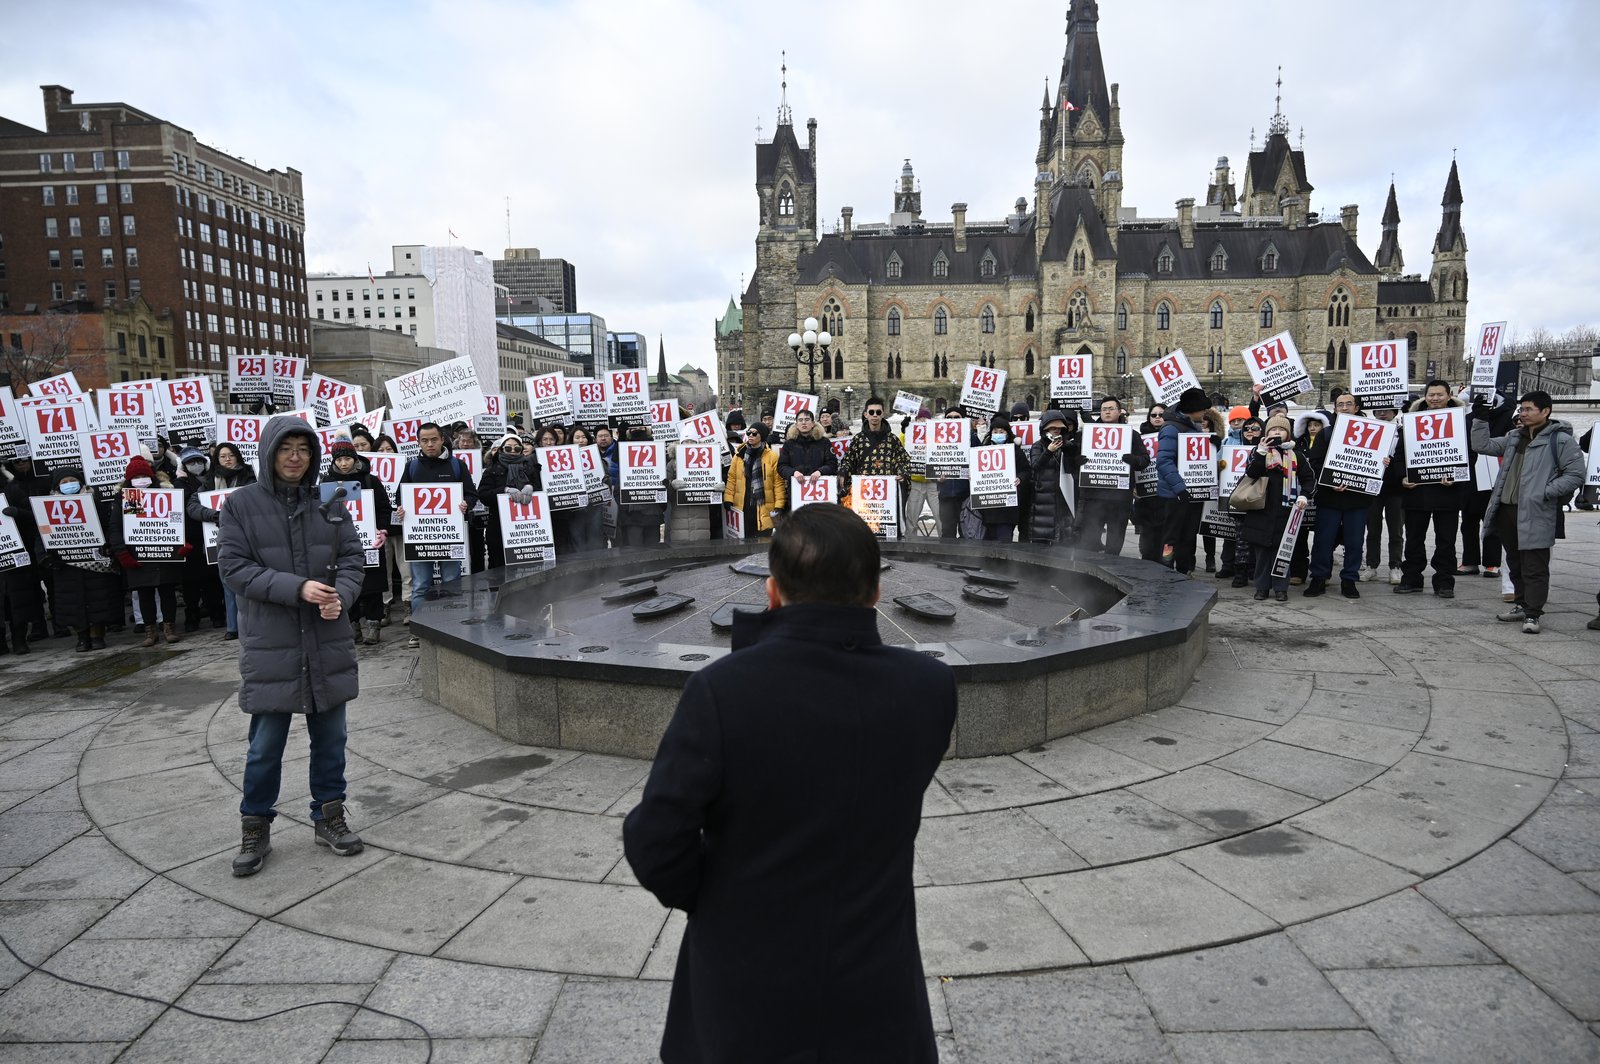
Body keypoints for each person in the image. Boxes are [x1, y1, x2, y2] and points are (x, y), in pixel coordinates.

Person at [624, 503, 955, 1064]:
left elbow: (656, 840)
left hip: (747, 986)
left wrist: (719, 898)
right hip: (877, 987)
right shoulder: (930, 686)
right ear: (876, 593)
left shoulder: (722, 690)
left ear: (771, 591)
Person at [218, 415, 366, 877]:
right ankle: (256, 824)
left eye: (304, 448)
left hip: (326, 641)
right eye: (287, 448)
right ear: (268, 452)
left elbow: (353, 559)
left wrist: (340, 594)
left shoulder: (330, 501)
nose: (296, 457)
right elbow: (234, 568)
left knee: (332, 738)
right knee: (265, 745)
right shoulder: (240, 504)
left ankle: (329, 814)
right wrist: (297, 588)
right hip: (272, 643)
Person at [1470, 390, 1586, 635]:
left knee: (1534, 565)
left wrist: (1544, 492)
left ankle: (1533, 613)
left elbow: (1576, 474)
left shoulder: (1561, 440)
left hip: (1536, 511)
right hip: (1507, 511)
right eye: (1521, 409)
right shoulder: (1514, 437)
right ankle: (1522, 605)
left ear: (1545, 411)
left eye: (1528, 409)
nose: (1523, 413)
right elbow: (1482, 445)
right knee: (1515, 563)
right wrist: (1480, 419)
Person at [396, 421, 477, 648]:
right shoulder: (412, 467)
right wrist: (401, 508)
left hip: (448, 535)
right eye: (424, 441)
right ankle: (419, 629)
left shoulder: (457, 465)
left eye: (433, 439)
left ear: (442, 439)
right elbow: (399, 497)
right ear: (419, 443)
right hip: (421, 537)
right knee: (421, 584)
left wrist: (465, 504)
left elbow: (472, 494)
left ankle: (452, 625)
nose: (429, 444)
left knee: (451, 582)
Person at [1305, 393, 1386, 599]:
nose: (1344, 407)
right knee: (1323, 540)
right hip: (1330, 498)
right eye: (1340, 404)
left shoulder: (1374, 432)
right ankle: (1319, 577)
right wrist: (1332, 483)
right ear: (1335, 408)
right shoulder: (1326, 433)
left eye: (1348, 404)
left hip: (1358, 499)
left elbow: (1377, 462)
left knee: (1354, 542)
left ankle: (1349, 579)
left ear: (1356, 407)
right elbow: (1314, 463)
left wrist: (1384, 463)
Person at [1391, 380, 1467, 597]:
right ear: (1425, 397)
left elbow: (1469, 456)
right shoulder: (1411, 423)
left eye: (1439, 395)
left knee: (1446, 540)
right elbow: (1399, 456)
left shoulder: (1461, 422)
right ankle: (1412, 578)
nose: (1435, 399)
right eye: (1431, 395)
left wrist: (1456, 477)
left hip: (1447, 492)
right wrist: (1402, 477)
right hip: (1417, 491)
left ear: (1449, 395)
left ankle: (1444, 581)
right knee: (1414, 538)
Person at [38, 466, 120, 652]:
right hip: (65, 564)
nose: (69, 485)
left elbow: (107, 526)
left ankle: (97, 635)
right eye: (64, 482)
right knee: (72, 602)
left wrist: (108, 546)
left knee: (98, 599)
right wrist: (44, 555)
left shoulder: (95, 502)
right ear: (57, 486)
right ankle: (82, 637)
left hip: (95, 562)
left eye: (72, 481)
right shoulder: (47, 506)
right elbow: (41, 532)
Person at [109, 454, 183, 647]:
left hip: (164, 553)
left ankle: (169, 627)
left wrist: (182, 544)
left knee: (167, 591)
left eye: (144, 476)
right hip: (137, 554)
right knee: (144, 593)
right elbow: (115, 529)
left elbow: (176, 522)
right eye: (135, 477)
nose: (140, 481)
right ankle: (150, 630)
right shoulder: (123, 500)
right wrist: (122, 553)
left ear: (151, 477)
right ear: (128, 480)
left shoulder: (165, 496)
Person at [324, 438, 392, 644]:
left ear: (355, 458)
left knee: (371, 585)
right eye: (339, 460)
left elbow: (384, 509)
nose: (344, 464)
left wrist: (383, 530)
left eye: (347, 459)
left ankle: (373, 625)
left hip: (370, 542)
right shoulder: (327, 483)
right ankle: (353, 625)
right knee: (345, 583)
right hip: (340, 545)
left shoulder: (371, 480)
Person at [188, 441, 258, 639]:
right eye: (222, 456)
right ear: (216, 459)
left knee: (250, 580)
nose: (227, 459)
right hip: (222, 538)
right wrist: (214, 515)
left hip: (249, 536)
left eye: (230, 455)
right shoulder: (209, 482)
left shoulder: (250, 478)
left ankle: (251, 623)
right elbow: (192, 507)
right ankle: (232, 626)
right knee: (228, 581)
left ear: (237, 457)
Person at [1156, 388, 1224, 576]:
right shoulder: (1170, 428)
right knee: (1171, 537)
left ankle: (1184, 571)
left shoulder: (1193, 426)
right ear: (1193, 409)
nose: (1204, 414)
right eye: (1202, 409)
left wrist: (1212, 446)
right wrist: (1180, 489)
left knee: (1188, 535)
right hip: (1175, 494)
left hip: (1193, 493)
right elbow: (1163, 461)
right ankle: (1167, 571)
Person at [1240, 415, 1308, 602]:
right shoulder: (1258, 451)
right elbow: (1251, 473)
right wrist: (1261, 452)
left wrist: (1304, 496)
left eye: (1281, 430)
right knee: (1261, 552)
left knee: (1282, 552)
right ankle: (1261, 587)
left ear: (1288, 433)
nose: (1277, 432)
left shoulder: (1296, 455)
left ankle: (1280, 587)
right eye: (1272, 430)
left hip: (1285, 510)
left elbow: (1309, 479)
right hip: (1261, 509)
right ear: (1266, 433)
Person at [1075, 397, 1149, 555]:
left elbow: (1145, 460)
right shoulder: (1088, 434)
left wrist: (1133, 459)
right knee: (1089, 541)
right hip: (1093, 496)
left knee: (1114, 542)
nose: (1107, 412)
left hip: (1119, 498)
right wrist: (1078, 461)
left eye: (1110, 408)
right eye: (1103, 409)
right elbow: (1070, 460)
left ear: (1119, 411)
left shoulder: (1132, 435)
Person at [1459, 388, 1515, 578]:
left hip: (1495, 473)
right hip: (1471, 471)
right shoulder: (1468, 417)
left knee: (1492, 520)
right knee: (1468, 520)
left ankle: (1492, 562)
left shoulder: (1508, 417)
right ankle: (1470, 560)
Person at [175, 445, 227, 631]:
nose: (195, 465)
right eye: (190, 462)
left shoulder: (213, 480)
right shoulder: (178, 485)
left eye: (198, 461)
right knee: (191, 583)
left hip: (211, 535)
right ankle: (192, 615)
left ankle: (217, 614)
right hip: (191, 539)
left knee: (212, 580)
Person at [478, 433, 541, 569]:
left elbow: (540, 489)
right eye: (508, 448)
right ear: (501, 450)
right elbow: (483, 495)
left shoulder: (529, 468)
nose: (513, 451)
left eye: (517, 448)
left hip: (526, 528)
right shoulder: (491, 470)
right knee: (498, 568)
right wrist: (504, 490)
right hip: (499, 527)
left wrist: (531, 487)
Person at [1362, 400, 1405, 585]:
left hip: (1395, 487)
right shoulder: (1367, 430)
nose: (1382, 413)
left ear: (1394, 411)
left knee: (1396, 529)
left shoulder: (1403, 432)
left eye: (1386, 410)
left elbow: (1407, 456)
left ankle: (1395, 566)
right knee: (1372, 529)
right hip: (1373, 486)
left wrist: (1393, 463)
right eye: (1378, 410)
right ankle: (1371, 565)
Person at [838, 396, 910, 500]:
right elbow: (849, 460)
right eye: (871, 412)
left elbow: (903, 460)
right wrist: (843, 472)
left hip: (887, 493)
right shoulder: (858, 439)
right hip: (863, 491)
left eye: (878, 412)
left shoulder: (892, 439)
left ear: (883, 414)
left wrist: (903, 473)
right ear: (865, 414)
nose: (875, 415)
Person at [1027, 408, 1081, 545]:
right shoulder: (1038, 446)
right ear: (1045, 430)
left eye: (1059, 429)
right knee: (1042, 543)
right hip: (1043, 501)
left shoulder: (1068, 447)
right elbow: (1035, 467)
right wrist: (1049, 452)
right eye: (1052, 428)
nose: (1056, 431)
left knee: (1063, 544)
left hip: (1063, 500)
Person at [723, 422, 785, 538]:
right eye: (748, 433)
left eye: (754, 433)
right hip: (743, 505)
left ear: (762, 436)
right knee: (742, 543)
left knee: (762, 545)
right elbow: (732, 479)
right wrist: (728, 498)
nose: (750, 435)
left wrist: (779, 505)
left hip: (764, 507)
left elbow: (778, 483)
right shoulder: (739, 456)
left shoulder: (772, 457)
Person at [977, 413, 1027, 541]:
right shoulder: (983, 451)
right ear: (991, 433)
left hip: (1007, 510)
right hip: (988, 508)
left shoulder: (1016, 450)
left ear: (1007, 433)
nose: (998, 434)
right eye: (995, 431)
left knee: (1004, 542)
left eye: (1001, 431)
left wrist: (1020, 478)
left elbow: (1026, 470)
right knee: (988, 544)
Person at [776, 409, 838, 505]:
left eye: (807, 419)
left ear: (813, 423)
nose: (804, 423)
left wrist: (820, 471)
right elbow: (781, 466)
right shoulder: (789, 444)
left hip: (821, 493)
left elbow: (833, 464)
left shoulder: (824, 442)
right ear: (796, 424)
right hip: (797, 493)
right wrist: (793, 472)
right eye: (800, 420)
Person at [1133, 404, 1167, 562]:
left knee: (1165, 535)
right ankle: (1147, 563)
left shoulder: (1175, 435)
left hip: (1167, 493)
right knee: (1147, 536)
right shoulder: (1139, 437)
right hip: (1146, 494)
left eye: (1161, 414)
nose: (1158, 417)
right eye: (1154, 415)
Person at [934, 406, 973, 539]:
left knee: (966, 532)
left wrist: (975, 475)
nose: (952, 420)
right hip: (946, 496)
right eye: (949, 418)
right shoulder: (937, 440)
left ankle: (964, 560)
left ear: (963, 419)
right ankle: (945, 558)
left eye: (956, 417)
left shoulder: (971, 439)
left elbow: (980, 461)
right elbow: (931, 464)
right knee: (948, 532)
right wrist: (936, 478)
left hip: (965, 496)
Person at [900, 408, 935, 537]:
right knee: (912, 518)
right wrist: (905, 431)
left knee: (940, 517)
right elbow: (901, 448)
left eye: (926, 419)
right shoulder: (909, 434)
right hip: (915, 481)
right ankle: (910, 546)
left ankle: (943, 544)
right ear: (916, 420)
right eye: (921, 419)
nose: (923, 421)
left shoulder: (935, 434)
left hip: (933, 481)